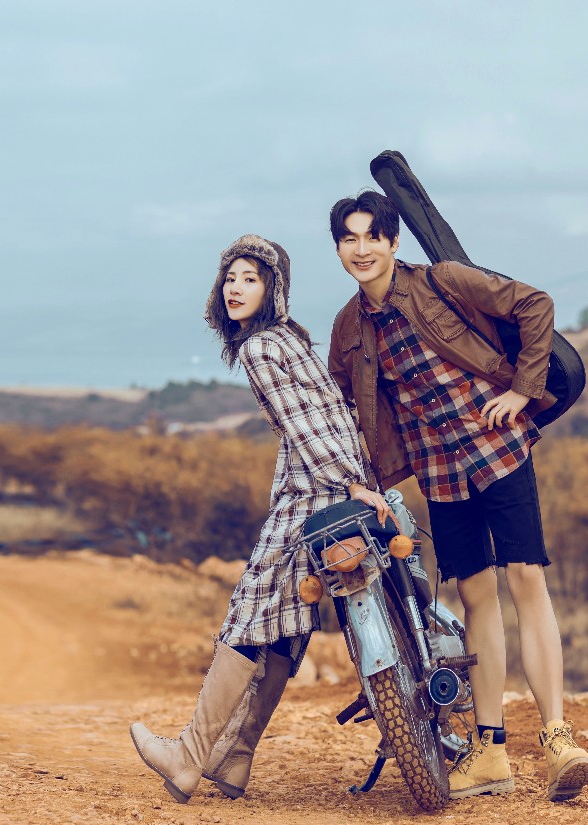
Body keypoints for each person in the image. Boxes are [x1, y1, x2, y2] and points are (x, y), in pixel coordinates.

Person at [325, 191, 588, 802]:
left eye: (372, 236)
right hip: (438, 472)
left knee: (526, 578)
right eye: (349, 238)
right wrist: (355, 476)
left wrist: (522, 390)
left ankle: (558, 741)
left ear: (393, 241)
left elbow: (534, 303)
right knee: (475, 598)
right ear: (339, 249)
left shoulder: (440, 282)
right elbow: (345, 408)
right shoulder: (347, 329)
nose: (362, 249)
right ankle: (490, 752)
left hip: (499, 448)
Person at [130, 234, 390, 804]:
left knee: (249, 617)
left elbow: (306, 425)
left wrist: (347, 481)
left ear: (274, 289)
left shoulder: (261, 348)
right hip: (338, 489)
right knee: (284, 625)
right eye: (230, 277)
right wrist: (359, 480)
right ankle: (236, 756)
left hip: (308, 500)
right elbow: (333, 414)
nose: (236, 288)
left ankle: (189, 757)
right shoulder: (290, 339)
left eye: (250, 278)